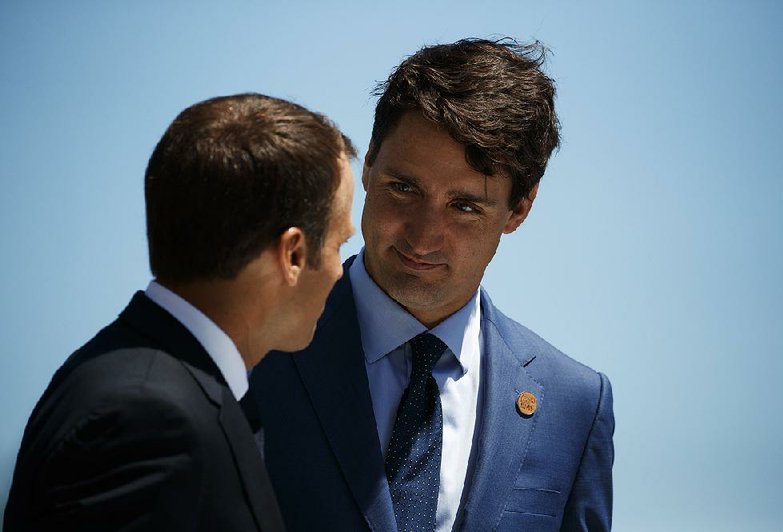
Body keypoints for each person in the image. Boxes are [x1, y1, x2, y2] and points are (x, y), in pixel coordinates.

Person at [250, 39, 614, 531]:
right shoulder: (252, 349)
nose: (422, 236)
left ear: (520, 209)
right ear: (369, 162)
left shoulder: (574, 404)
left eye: (464, 207)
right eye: (404, 188)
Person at [4, 93, 356, 532]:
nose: (342, 271)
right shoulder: (149, 419)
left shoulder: (140, 382)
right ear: (293, 254)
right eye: (339, 244)